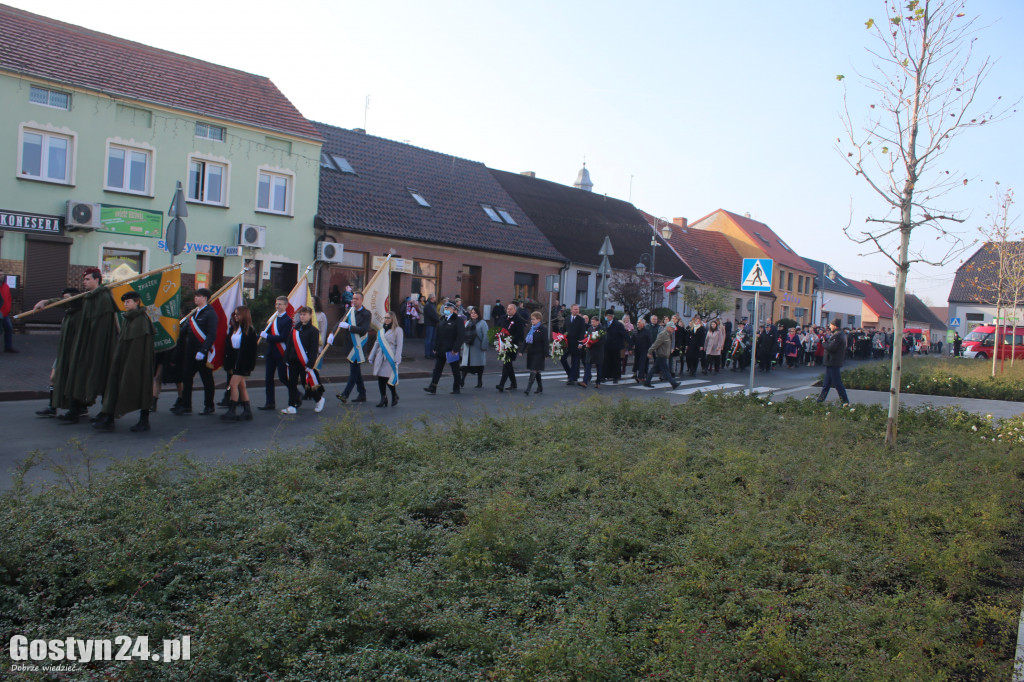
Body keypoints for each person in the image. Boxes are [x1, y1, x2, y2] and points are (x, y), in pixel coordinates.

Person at [58, 268, 119, 423]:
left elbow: (102, 329)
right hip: (84, 343)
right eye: (84, 279)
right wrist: (46, 302)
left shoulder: (103, 298)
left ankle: (106, 414)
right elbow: (69, 302)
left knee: (100, 377)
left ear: (97, 280)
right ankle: (75, 409)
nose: (84, 282)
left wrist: (93, 348)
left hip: (96, 347)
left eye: (87, 279)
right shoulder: (87, 297)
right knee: (78, 373)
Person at [92, 291, 155, 432]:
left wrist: (129, 364)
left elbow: (138, 348)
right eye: (124, 302)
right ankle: (108, 418)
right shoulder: (128, 318)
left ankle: (143, 421)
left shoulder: (141, 320)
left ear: (137, 302)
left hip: (134, 363)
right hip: (122, 359)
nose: (125, 304)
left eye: (128, 301)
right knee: (114, 386)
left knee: (140, 388)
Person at [34, 287, 81, 418]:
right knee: (53, 378)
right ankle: (51, 407)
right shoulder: (68, 313)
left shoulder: (80, 313)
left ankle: (78, 408)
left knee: (72, 380)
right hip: (63, 351)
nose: (62, 302)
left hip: (74, 352)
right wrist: (45, 301)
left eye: (66, 299)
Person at [173, 288, 218, 416]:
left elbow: (212, 335)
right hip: (190, 352)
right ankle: (186, 405)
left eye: (198, 296)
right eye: (195, 296)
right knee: (186, 378)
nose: (195, 298)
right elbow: (185, 332)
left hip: (202, 353)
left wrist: (203, 351)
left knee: (207, 379)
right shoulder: (194, 314)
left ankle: (209, 405)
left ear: (205, 298)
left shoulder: (210, 313)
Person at [282, 306, 326, 414]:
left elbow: (313, 348)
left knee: (306, 383)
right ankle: (292, 405)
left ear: (310, 316)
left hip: (304, 361)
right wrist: (286, 358)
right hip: (293, 360)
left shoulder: (313, 331)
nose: (302, 316)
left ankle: (319, 399)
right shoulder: (295, 329)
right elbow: (289, 344)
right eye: (301, 314)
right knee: (291, 383)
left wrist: (310, 364)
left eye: (304, 314)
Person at [331, 291, 372, 403]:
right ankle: (362, 393)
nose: (353, 300)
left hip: (358, 346)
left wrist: (349, 327)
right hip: (350, 345)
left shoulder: (366, 314)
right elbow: (340, 322)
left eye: (356, 299)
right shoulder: (350, 311)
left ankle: (345, 394)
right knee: (356, 371)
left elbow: (363, 330)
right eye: (353, 298)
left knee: (354, 371)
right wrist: (332, 333)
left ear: (362, 300)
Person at [221, 305, 258, 422]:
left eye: (238, 314)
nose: (236, 316)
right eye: (235, 314)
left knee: (233, 384)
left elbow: (252, 351)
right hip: (234, 361)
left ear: (244, 315)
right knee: (241, 386)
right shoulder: (234, 329)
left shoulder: (250, 331)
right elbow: (230, 347)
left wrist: (249, 366)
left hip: (243, 362)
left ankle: (232, 409)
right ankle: (247, 411)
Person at [259, 296, 292, 411]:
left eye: (280, 304)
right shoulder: (273, 318)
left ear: (286, 306)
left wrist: (267, 336)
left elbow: (283, 337)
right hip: (271, 352)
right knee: (268, 378)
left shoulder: (287, 320)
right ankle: (270, 402)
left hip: (281, 352)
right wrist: (265, 333)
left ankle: (296, 394)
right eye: (277, 304)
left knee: (283, 377)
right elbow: (268, 331)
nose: (278, 306)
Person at [424, 299, 464, 394]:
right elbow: (438, 335)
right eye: (445, 307)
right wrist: (435, 347)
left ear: (453, 309)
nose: (446, 309)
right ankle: (433, 387)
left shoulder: (458, 320)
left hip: (451, 350)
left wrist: (456, 348)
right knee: (437, 369)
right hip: (441, 349)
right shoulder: (442, 319)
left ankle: (456, 387)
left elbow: (460, 336)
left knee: (455, 370)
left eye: (448, 307)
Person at [368, 310, 403, 407]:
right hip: (380, 356)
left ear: (393, 319)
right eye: (385, 318)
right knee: (380, 378)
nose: (386, 320)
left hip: (390, 356)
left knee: (388, 378)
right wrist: (371, 356)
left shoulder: (398, 330)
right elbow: (376, 344)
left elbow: (399, 345)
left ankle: (394, 395)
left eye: (388, 318)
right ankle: (383, 398)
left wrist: (397, 358)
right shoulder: (381, 330)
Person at [818, 319, 851, 405]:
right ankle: (819, 401)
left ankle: (845, 402)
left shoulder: (838, 335)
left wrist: (824, 343)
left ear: (835, 325)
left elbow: (832, 348)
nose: (829, 326)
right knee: (826, 384)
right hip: (831, 362)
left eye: (831, 325)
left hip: (833, 361)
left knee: (838, 384)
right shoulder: (840, 334)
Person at [495, 302, 525, 392]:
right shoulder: (503, 318)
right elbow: (498, 327)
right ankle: (514, 383)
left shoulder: (518, 320)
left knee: (507, 363)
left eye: (510, 309)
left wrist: (510, 339)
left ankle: (501, 384)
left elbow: (520, 334)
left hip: (512, 345)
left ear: (515, 310)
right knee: (509, 365)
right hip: (503, 344)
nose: (508, 310)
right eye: (508, 309)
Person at [644, 321, 682, 389]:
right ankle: (673, 383)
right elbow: (656, 344)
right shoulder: (663, 334)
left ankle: (647, 382)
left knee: (655, 369)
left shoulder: (668, 334)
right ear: (668, 327)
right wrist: (650, 351)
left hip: (663, 355)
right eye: (672, 328)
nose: (673, 330)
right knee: (666, 370)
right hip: (661, 355)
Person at [460, 306, 488, 388]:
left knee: (479, 366)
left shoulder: (482, 323)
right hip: (468, 347)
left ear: (478, 314)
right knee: (465, 365)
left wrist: (484, 346)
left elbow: (486, 335)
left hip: (477, 348)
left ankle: (479, 381)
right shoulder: (468, 322)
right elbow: (464, 334)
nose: (473, 314)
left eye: (475, 313)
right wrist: (462, 346)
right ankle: (462, 380)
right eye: (472, 313)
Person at [523, 311, 547, 395]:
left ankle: (528, 389)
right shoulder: (531, 329)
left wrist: (546, 354)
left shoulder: (543, 329)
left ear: (538, 319)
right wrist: (522, 350)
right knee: (536, 370)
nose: (531, 321)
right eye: (531, 319)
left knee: (534, 369)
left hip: (539, 353)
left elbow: (545, 342)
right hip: (531, 353)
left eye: (533, 319)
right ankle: (540, 387)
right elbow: (526, 341)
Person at [562, 304, 587, 384]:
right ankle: (570, 373)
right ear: (571, 310)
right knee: (562, 358)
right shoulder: (567, 319)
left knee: (575, 361)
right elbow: (564, 330)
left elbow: (582, 332)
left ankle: (572, 378)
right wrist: (561, 339)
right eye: (575, 309)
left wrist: (580, 342)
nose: (577, 311)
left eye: (578, 309)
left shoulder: (581, 320)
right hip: (567, 344)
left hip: (577, 344)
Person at [579, 315, 606, 389]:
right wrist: (584, 343)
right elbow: (587, 337)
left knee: (599, 367)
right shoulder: (590, 328)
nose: (592, 323)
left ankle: (598, 382)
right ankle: (585, 382)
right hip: (590, 351)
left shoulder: (602, 329)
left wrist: (592, 343)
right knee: (587, 366)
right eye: (591, 322)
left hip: (598, 351)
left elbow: (603, 341)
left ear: (598, 322)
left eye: (594, 322)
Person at [603, 309, 628, 384]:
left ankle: (615, 377)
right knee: (606, 362)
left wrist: (631, 344)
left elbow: (625, 334)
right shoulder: (605, 323)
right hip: (607, 346)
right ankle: (604, 376)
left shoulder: (618, 324)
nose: (605, 317)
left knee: (616, 362)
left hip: (615, 346)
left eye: (606, 316)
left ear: (610, 316)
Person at [0, 267, 16, 353]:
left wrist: (8, 308)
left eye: (2, 275)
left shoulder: (6, 286)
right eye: (0, 275)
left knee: (9, 329)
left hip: (5, 313)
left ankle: (8, 347)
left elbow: (8, 298)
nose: (1, 276)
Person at [632, 318, 650, 382]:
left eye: (639, 323)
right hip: (637, 350)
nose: (638, 324)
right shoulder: (635, 331)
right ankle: (636, 374)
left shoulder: (647, 332)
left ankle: (640, 376)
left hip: (644, 350)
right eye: (637, 323)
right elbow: (632, 340)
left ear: (643, 324)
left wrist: (650, 351)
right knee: (636, 362)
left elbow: (650, 341)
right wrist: (631, 348)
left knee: (642, 363)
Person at [423, 293, 439, 358]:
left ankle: (432, 353)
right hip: (430, 324)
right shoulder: (428, 305)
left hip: (433, 324)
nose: (435, 298)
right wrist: (438, 320)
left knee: (433, 339)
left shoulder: (432, 305)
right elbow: (432, 315)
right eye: (435, 297)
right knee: (429, 339)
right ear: (432, 298)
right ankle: (427, 354)